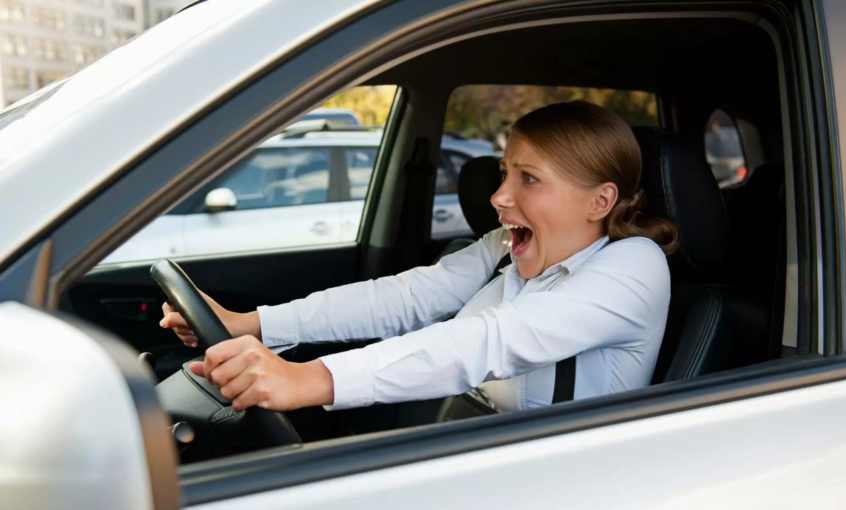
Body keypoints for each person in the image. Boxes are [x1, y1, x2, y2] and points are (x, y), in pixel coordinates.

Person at [161, 101, 678, 414]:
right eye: (504, 174)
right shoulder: (508, 248)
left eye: (529, 179)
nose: (499, 197)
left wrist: (308, 379)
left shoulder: (635, 266)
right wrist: (252, 324)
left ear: (600, 201)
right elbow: (403, 298)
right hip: (470, 442)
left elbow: (488, 341)